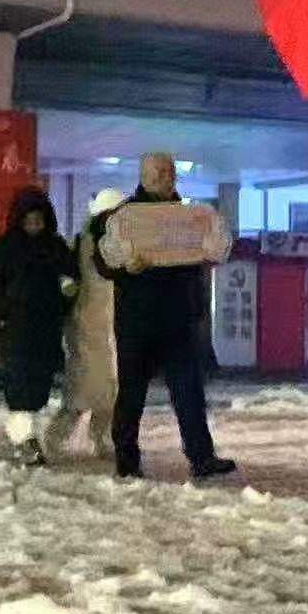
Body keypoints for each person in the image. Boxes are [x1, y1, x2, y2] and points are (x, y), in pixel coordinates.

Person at [92, 153, 237, 481]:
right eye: (159, 174)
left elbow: (214, 248)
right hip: (137, 321)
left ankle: (201, 457)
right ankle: (127, 461)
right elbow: (102, 261)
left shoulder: (190, 218)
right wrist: (125, 266)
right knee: (131, 394)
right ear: (143, 177)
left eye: (170, 173)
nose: (166, 179)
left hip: (178, 319)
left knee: (189, 391)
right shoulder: (124, 218)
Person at [0, 188, 80, 467]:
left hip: (46, 327)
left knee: (39, 386)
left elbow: (71, 276)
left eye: (39, 220)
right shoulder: (6, 247)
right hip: (15, 326)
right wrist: (2, 310)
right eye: (29, 220)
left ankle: (23, 435)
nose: (34, 225)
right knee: (19, 384)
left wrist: (66, 296)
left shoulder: (55, 246)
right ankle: (24, 438)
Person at [47, 188, 126, 460]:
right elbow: (66, 277)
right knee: (80, 390)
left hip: (115, 327)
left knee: (112, 392)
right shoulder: (81, 244)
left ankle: (101, 440)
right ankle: (54, 439)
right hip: (85, 325)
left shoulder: (125, 246)